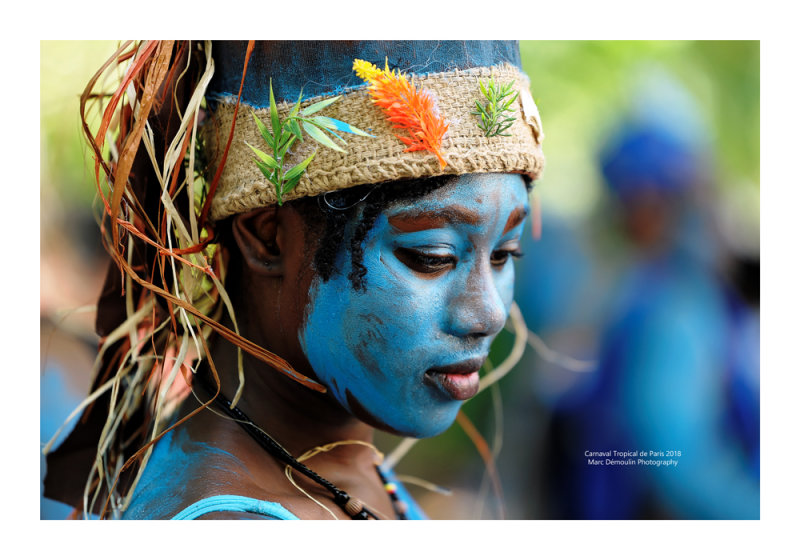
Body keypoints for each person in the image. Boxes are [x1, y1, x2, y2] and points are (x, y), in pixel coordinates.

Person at [43, 40, 545, 520]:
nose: (489, 313)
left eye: (505, 253)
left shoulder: (337, 466)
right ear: (269, 239)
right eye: (431, 256)